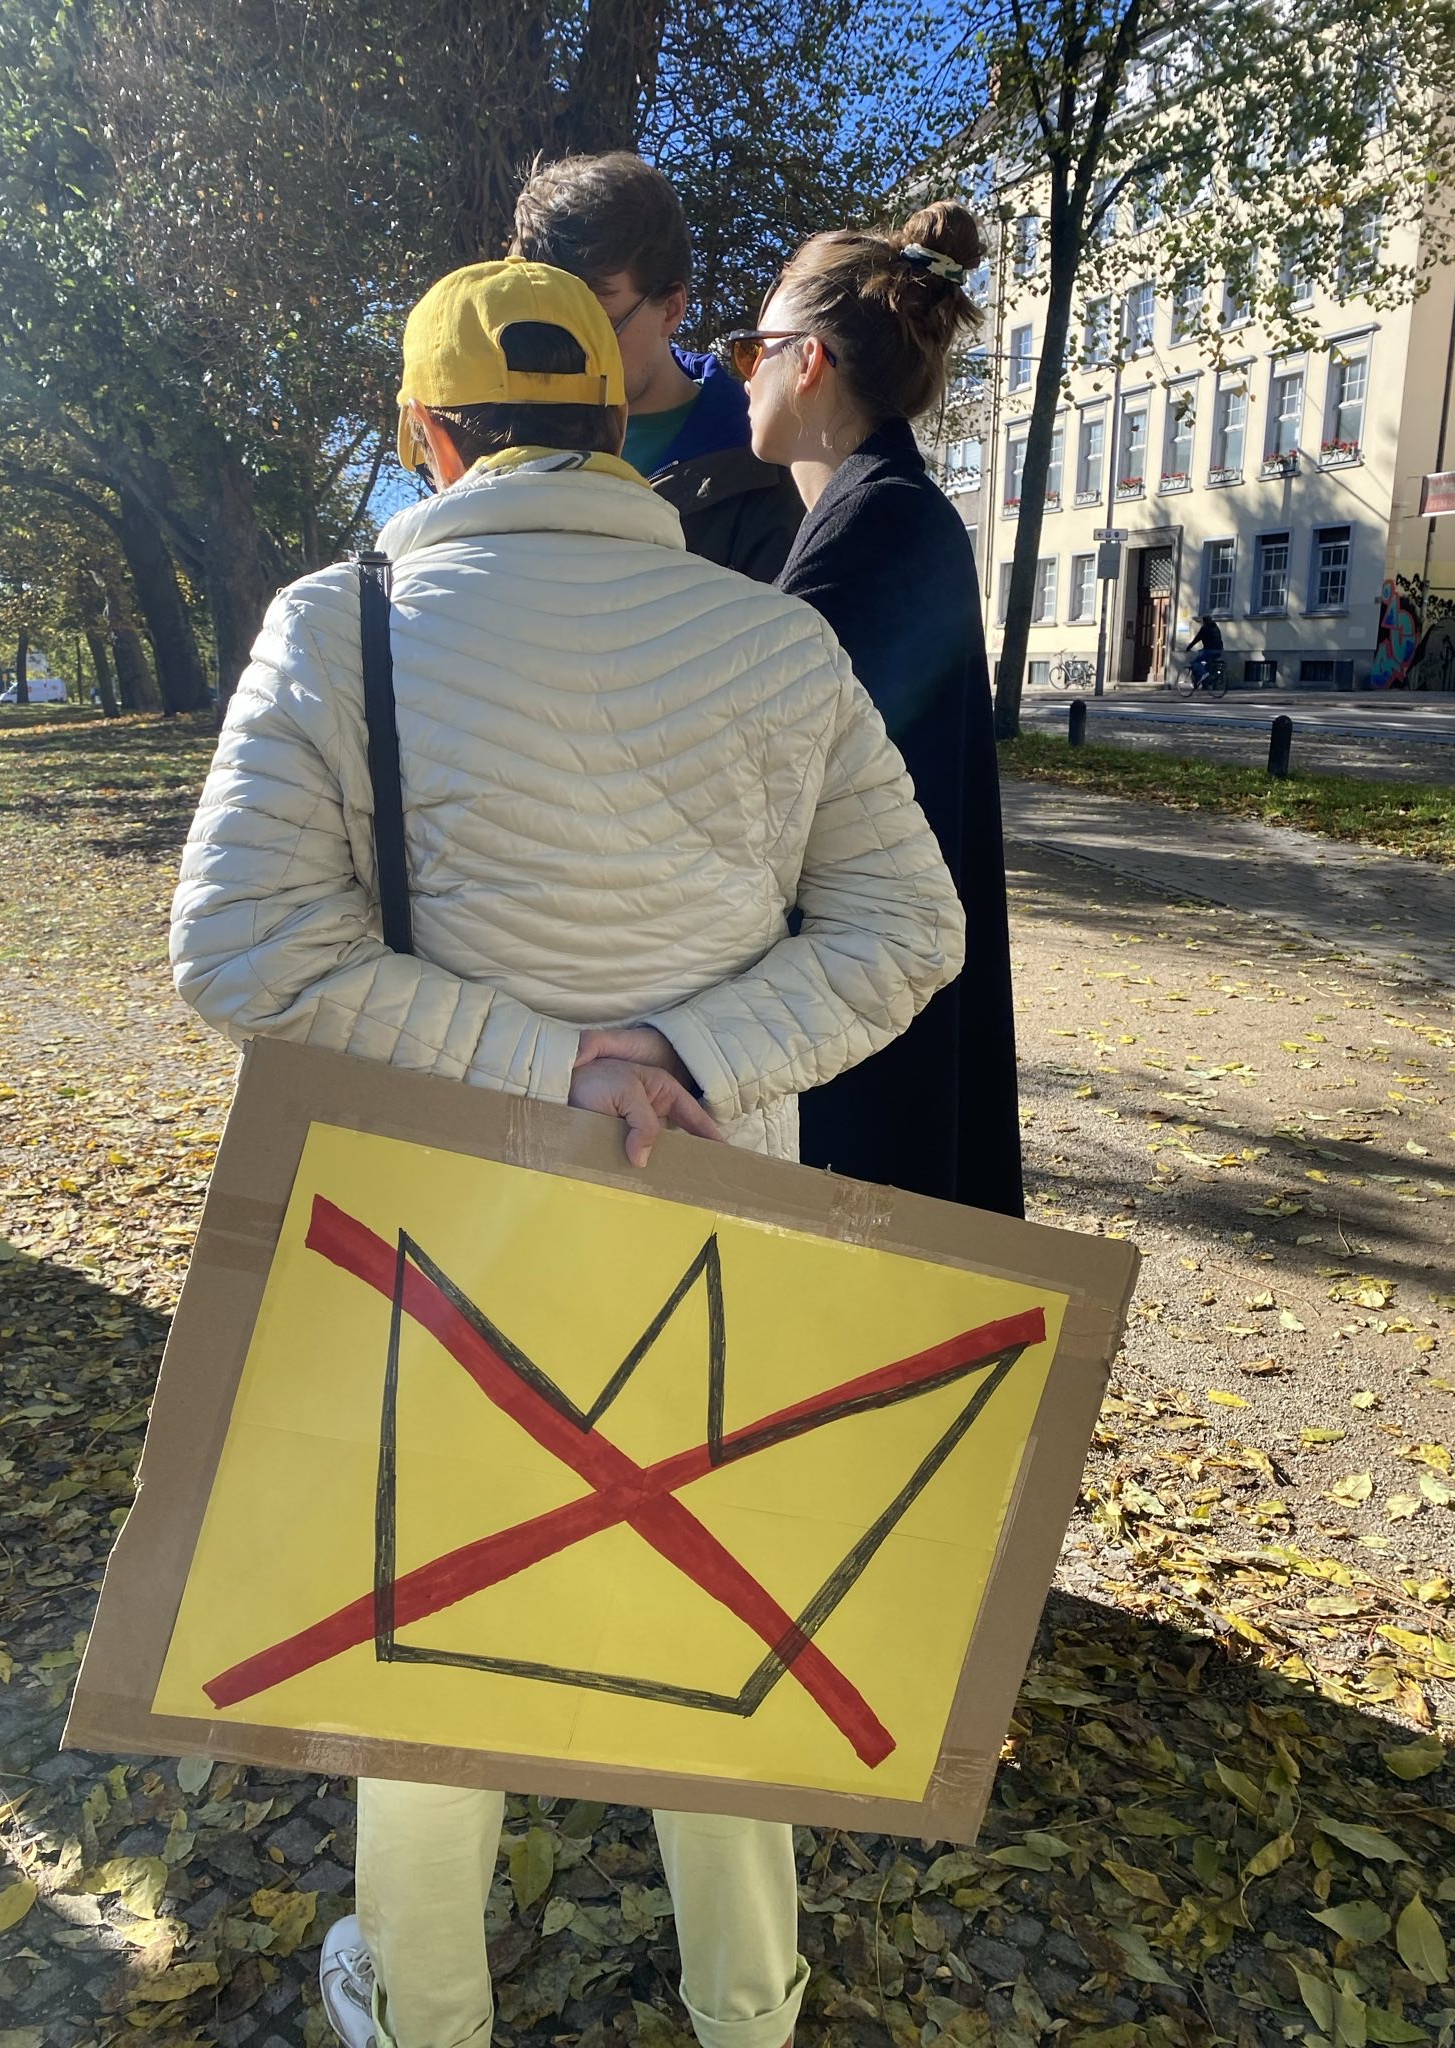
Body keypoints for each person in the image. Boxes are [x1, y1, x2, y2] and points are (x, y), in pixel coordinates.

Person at [169, 257, 963, 2048]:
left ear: (426, 437)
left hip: (434, 1220)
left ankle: (428, 2007)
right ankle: (747, 2002)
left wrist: (539, 1063)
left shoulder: (335, 623)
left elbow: (240, 952)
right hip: (720, 1208)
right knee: (724, 1608)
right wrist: (680, 1056)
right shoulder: (780, 638)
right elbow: (907, 931)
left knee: (425, 1616)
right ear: (621, 432)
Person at [718, 202, 1023, 1217]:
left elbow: (775, 791)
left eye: (748, 347)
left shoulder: (874, 529)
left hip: (871, 1026)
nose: (736, 372)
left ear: (807, 363)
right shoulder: (881, 512)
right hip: (882, 1006)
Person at [510, 150, 803, 580]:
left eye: (600, 327)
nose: (573, 355)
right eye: (554, 329)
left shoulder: (764, 465)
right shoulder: (505, 440)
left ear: (671, 309)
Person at [1185, 613, 1225, 686]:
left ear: (1204, 621)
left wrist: (1189, 647)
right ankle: (1207, 681)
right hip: (1219, 650)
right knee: (1207, 662)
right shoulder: (1216, 627)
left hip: (1209, 650)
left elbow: (1197, 639)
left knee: (1195, 662)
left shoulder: (1205, 628)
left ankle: (1204, 675)